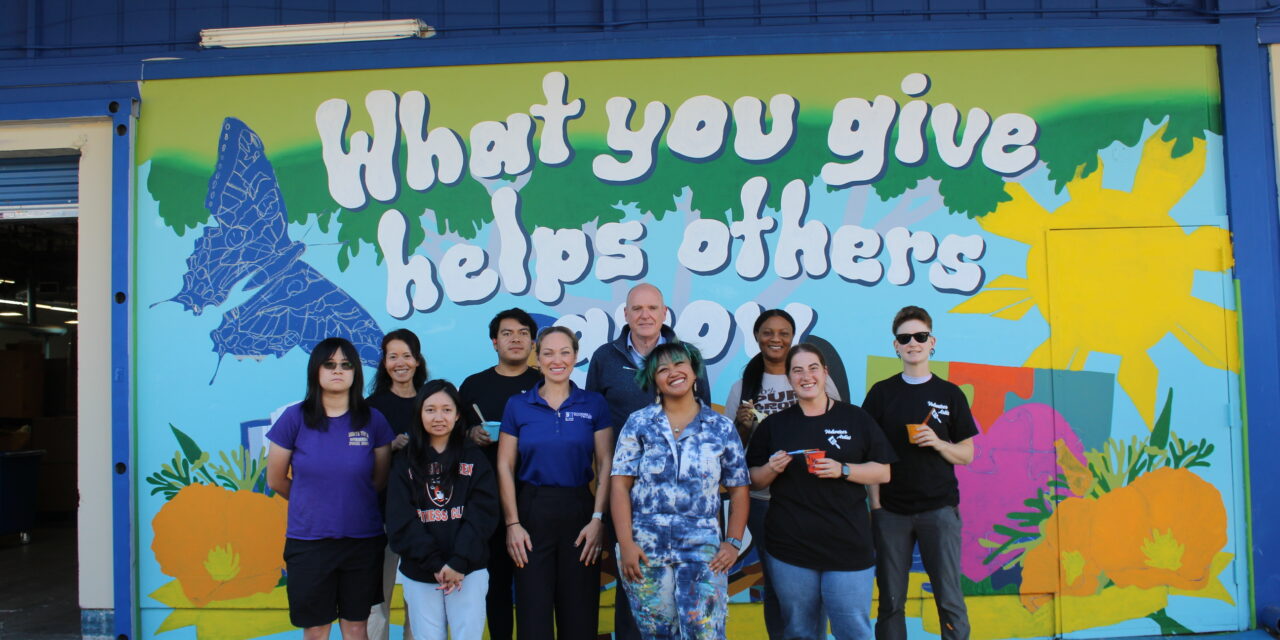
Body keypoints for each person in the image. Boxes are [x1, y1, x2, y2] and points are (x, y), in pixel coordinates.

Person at [746, 344, 895, 640]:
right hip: (791, 548)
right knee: (800, 632)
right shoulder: (776, 425)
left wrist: (844, 470)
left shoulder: (855, 419)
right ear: (789, 378)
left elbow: (883, 471)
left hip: (848, 545)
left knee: (853, 631)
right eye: (797, 370)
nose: (806, 376)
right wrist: (772, 468)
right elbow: (753, 480)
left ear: (825, 373)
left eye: (813, 368)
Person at [585, 283, 709, 639]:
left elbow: (703, 420)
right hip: (624, 491)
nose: (645, 315)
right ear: (625, 314)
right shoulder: (604, 357)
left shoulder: (685, 355)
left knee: (684, 591)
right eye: (637, 309)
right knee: (634, 586)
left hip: (682, 497)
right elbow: (594, 422)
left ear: (664, 313)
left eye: (652, 308)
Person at [612, 341, 750, 640]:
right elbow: (620, 486)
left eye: (680, 364)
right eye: (663, 369)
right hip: (645, 550)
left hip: (704, 551)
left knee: (705, 634)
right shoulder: (639, 424)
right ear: (653, 380)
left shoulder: (720, 427)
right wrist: (626, 544)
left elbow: (739, 490)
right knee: (657, 635)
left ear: (694, 371)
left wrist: (733, 543)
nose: (673, 373)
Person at [722, 309, 841, 640]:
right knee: (776, 583)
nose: (776, 338)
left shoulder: (817, 379)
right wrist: (742, 427)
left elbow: (838, 431)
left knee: (815, 581)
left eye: (784, 332)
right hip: (764, 502)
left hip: (814, 497)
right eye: (768, 332)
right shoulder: (742, 387)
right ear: (757, 337)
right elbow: (732, 452)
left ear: (793, 337)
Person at [267, 337, 396, 640]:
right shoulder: (294, 418)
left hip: (362, 542)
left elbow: (379, 479)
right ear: (316, 371)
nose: (338, 371)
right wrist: (311, 502)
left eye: (346, 365)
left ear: (355, 373)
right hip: (309, 543)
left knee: (356, 627)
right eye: (330, 364)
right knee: (316, 629)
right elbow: (276, 480)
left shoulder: (373, 420)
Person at [864, 306, 976, 640]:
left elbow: (967, 454)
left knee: (949, 598)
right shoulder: (881, 393)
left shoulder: (949, 394)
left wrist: (940, 443)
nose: (913, 342)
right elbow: (870, 455)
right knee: (891, 601)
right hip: (892, 512)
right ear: (895, 346)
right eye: (905, 337)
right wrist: (877, 507)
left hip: (939, 510)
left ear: (932, 342)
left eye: (920, 336)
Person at [497, 326, 613, 639]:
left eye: (565, 352)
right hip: (532, 512)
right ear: (538, 357)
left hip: (580, 512)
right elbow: (504, 466)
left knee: (579, 616)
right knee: (533, 618)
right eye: (548, 352)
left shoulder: (593, 404)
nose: (557, 359)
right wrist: (512, 525)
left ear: (575, 357)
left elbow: (605, 465)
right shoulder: (518, 405)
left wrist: (598, 519)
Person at [386, 379, 499, 640]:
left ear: (458, 415)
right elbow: (400, 520)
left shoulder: (473, 457)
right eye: (430, 409)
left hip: (467, 571)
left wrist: (458, 562)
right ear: (419, 413)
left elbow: (483, 515)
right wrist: (435, 563)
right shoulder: (405, 461)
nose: (439, 417)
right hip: (421, 572)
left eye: (447, 410)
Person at [458, 307, 542, 640]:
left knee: (534, 585)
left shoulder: (544, 383)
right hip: (486, 501)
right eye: (507, 333)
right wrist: (469, 435)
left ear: (533, 341)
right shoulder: (474, 385)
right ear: (494, 342)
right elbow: (449, 436)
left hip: (536, 498)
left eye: (523, 332)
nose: (516, 339)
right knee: (495, 585)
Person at [367, 329, 428, 640]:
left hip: (425, 515)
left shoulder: (430, 402)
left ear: (417, 360)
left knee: (419, 600)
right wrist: (387, 447)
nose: (400, 363)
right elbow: (354, 457)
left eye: (407, 355)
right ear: (384, 362)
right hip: (380, 515)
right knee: (377, 599)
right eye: (393, 356)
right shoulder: (370, 406)